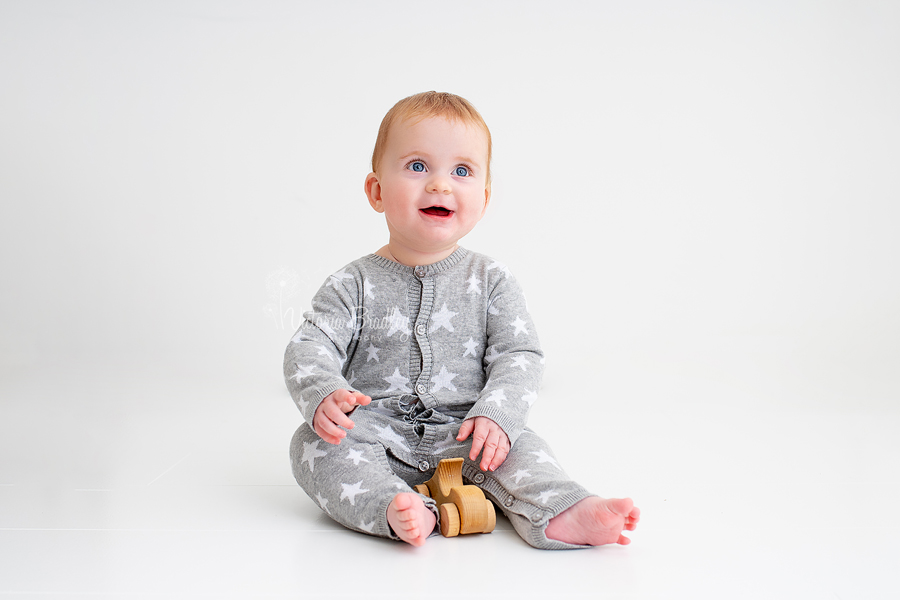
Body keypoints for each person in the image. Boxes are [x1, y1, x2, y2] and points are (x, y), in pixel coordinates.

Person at [284, 91, 639, 549]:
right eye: (417, 166)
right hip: (375, 431)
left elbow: (520, 354)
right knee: (310, 446)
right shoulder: (351, 283)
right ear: (376, 191)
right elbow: (310, 344)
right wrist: (323, 393)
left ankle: (561, 510)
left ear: (484, 198)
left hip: (470, 431)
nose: (439, 185)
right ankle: (393, 506)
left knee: (523, 449)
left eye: (462, 171)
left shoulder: (491, 279)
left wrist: (498, 414)